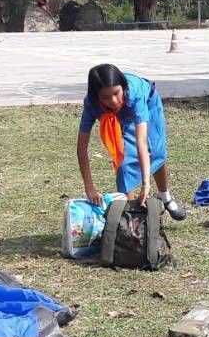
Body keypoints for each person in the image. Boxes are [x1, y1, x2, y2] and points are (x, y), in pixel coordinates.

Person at [76, 63, 186, 220]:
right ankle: (132, 216)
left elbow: (141, 142)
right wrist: (89, 187)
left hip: (148, 103)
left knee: (155, 151)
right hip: (115, 117)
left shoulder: (135, 94)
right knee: (123, 164)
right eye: (105, 97)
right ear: (96, 96)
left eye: (116, 93)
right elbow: (81, 148)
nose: (113, 101)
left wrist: (146, 184)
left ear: (123, 87)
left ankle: (165, 196)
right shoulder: (92, 104)